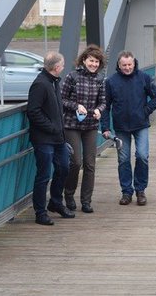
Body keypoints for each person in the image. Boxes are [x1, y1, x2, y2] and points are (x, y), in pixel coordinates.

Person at [101, 51, 156, 206]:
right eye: (124, 65)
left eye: (130, 65)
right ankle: (126, 191)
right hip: (121, 127)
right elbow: (105, 106)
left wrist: (145, 111)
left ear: (134, 63)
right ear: (119, 65)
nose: (127, 68)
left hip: (140, 124)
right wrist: (105, 127)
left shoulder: (144, 77)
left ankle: (140, 190)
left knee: (142, 155)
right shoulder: (111, 81)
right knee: (123, 159)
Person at [27, 51, 75, 226]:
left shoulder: (54, 82)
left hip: (58, 138)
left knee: (63, 167)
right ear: (56, 67)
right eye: (62, 65)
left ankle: (55, 202)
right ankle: (40, 212)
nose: (63, 67)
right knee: (44, 175)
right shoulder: (40, 84)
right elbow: (33, 111)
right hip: (43, 139)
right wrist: (52, 127)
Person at [61, 45, 106, 214]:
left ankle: (86, 201)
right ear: (84, 60)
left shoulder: (100, 79)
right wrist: (76, 106)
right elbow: (62, 98)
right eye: (91, 60)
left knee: (90, 164)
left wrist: (98, 110)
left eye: (96, 62)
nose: (94, 64)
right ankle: (69, 194)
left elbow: (103, 101)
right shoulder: (72, 76)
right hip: (72, 125)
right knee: (75, 162)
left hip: (90, 126)